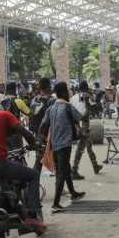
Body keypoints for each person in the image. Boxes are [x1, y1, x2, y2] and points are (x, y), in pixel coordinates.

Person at [40, 82, 86, 212]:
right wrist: (87, 104)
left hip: (54, 145)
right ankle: (55, 203)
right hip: (65, 145)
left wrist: (42, 140)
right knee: (61, 172)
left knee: (66, 169)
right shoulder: (68, 108)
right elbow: (84, 118)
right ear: (65, 93)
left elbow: (42, 127)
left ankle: (73, 193)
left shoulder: (51, 109)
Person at [71, 81, 102, 179]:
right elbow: (96, 108)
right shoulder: (87, 96)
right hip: (84, 124)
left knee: (88, 145)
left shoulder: (73, 97)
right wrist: (98, 99)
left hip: (76, 124)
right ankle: (74, 170)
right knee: (81, 147)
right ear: (86, 88)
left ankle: (95, 165)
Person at [30, 77, 55, 173]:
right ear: (49, 85)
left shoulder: (35, 100)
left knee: (38, 162)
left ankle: (34, 185)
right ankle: (59, 186)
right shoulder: (52, 100)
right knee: (57, 161)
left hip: (39, 136)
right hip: (51, 135)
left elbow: (31, 115)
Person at [0, 82, 31, 150]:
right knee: (18, 155)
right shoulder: (18, 101)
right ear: (14, 90)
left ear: (6, 90)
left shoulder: (0, 103)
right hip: (16, 133)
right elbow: (28, 113)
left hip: (4, 135)